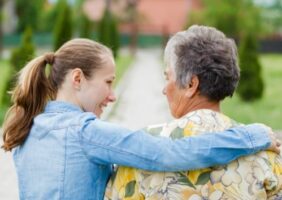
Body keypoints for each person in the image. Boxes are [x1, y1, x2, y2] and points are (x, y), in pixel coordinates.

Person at [1, 38, 279, 200]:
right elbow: (172, 153)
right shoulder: (85, 132)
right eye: (108, 82)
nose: (112, 96)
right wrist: (251, 136)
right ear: (77, 78)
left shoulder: (27, 129)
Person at [105, 25, 282, 199]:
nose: (164, 90)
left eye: (167, 77)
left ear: (191, 84)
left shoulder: (143, 150)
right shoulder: (266, 152)